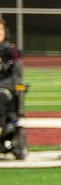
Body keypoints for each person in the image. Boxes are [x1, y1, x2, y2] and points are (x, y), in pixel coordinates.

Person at [0, 16, 25, 159]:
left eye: (1, 29)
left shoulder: (11, 51)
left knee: (1, 96)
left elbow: (17, 74)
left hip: (5, 87)